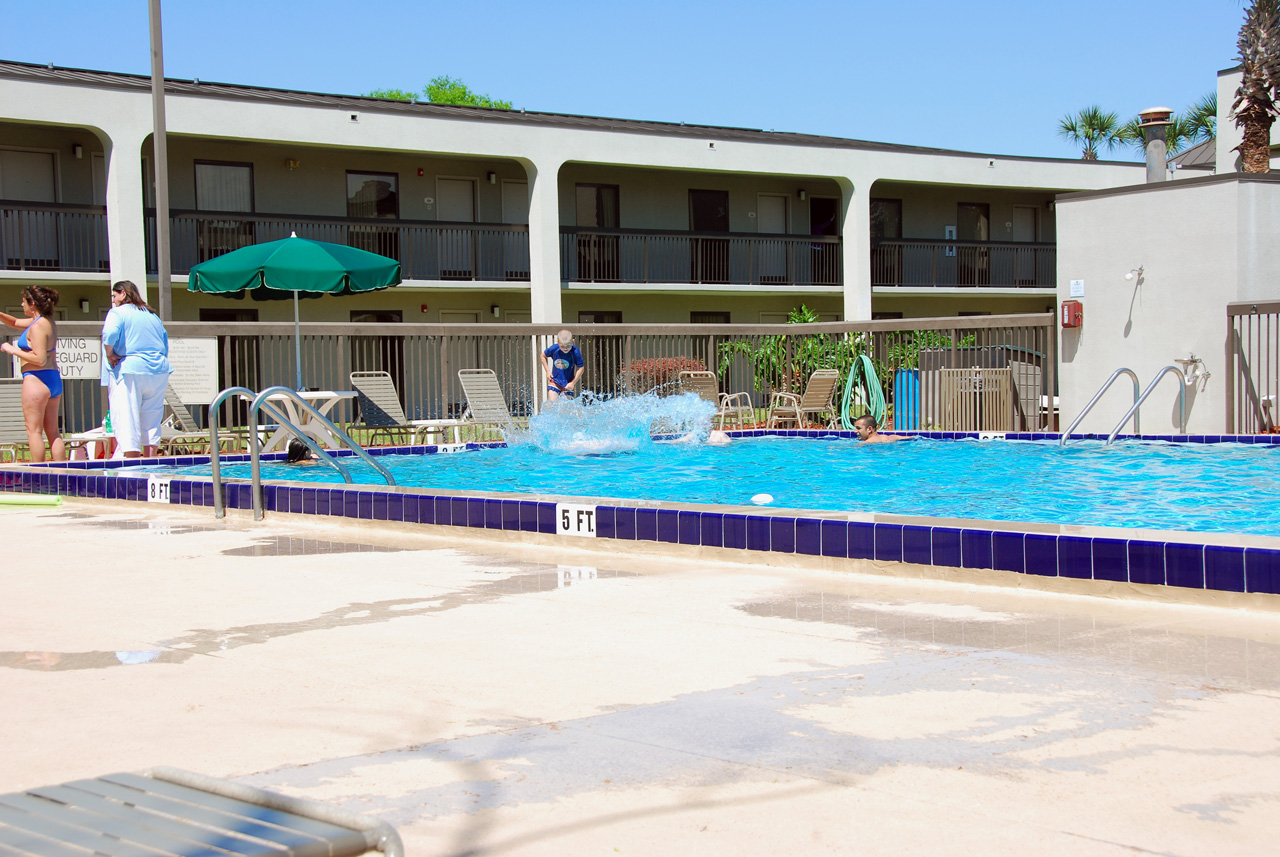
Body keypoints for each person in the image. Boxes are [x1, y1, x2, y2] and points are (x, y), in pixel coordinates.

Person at [102, 281, 172, 458]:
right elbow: (164, 342)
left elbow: (109, 333)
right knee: (152, 418)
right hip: (158, 369)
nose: (113, 300)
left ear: (123, 294)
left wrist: (109, 353)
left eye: (115, 295)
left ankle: (131, 460)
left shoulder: (117, 313)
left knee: (127, 416)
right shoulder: (151, 314)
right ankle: (150, 460)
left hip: (130, 369)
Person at [0, 286, 66, 462]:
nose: (22, 304)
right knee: (53, 432)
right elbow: (13, 322)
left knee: (34, 431)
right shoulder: (47, 321)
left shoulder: (37, 327)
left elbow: (40, 358)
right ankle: (63, 474)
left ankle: (39, 476)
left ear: (33, 304)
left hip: (37, 380)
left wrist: (12, 349)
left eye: (24, 301)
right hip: (53, 380)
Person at [541, 329, 584, 401]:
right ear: (558, 342)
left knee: (565, 408)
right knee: (552, 404)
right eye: (562, 346)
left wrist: (573, 383)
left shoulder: (575, 352)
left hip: (568, 384)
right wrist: (547, 371)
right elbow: (542, 356)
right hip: (554, 381)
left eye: (568, 346)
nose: (565, 348)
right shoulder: (554, 348)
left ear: (573, 341)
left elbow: (581, 368)